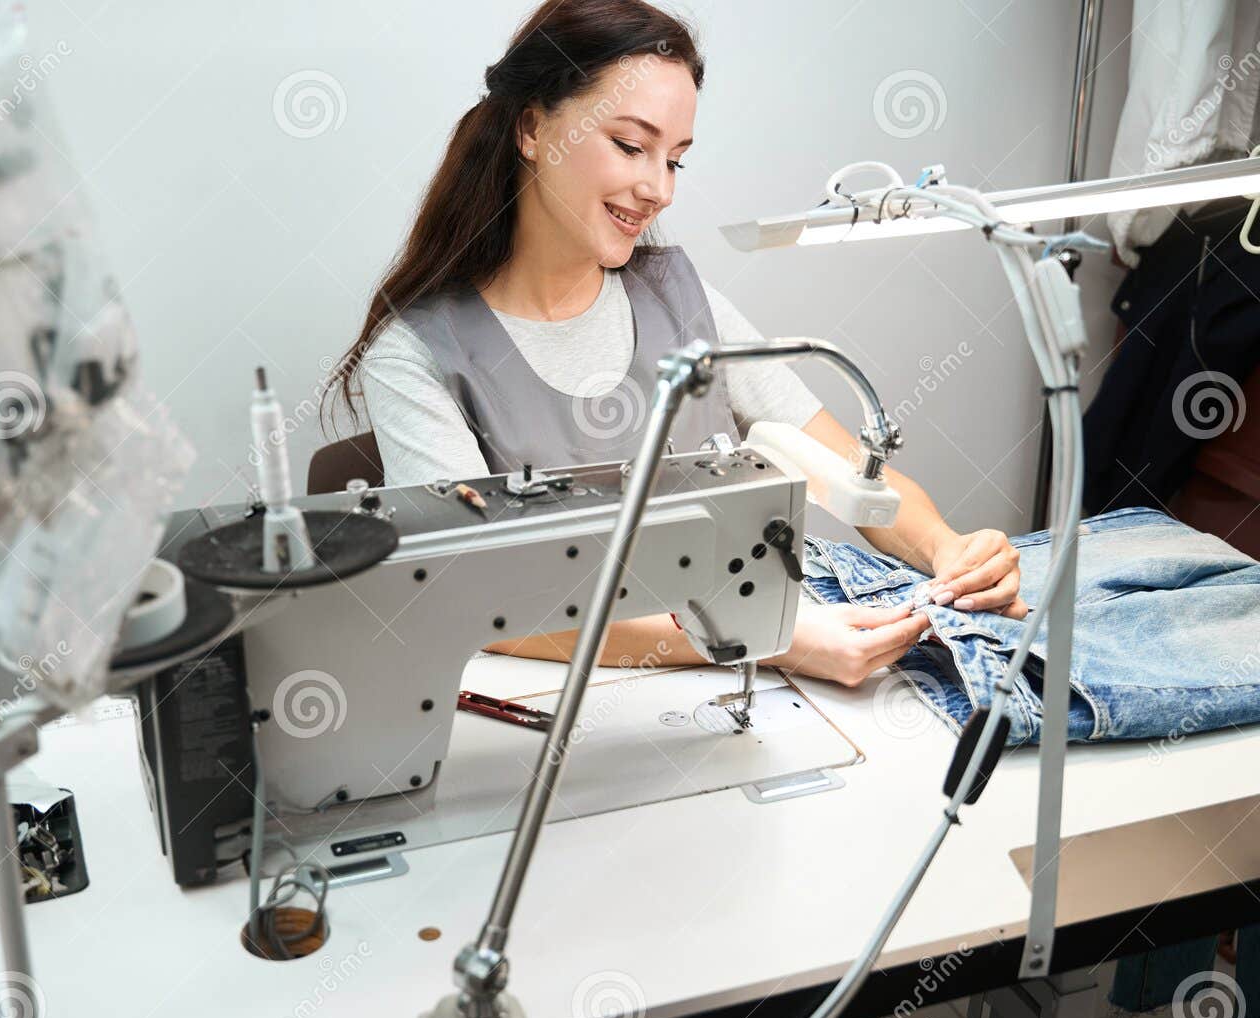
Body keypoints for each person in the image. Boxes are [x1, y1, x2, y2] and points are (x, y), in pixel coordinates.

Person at [325, 0, 1024, 688]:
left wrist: (948, 548)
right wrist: (765, 643)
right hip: (583, 711)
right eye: (631, 147)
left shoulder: (683, 303)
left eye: (676, 161)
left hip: (745, 685)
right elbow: (480, 604)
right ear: (533, 127)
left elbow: (846, 471)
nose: (658, 189)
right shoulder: (417, 354)